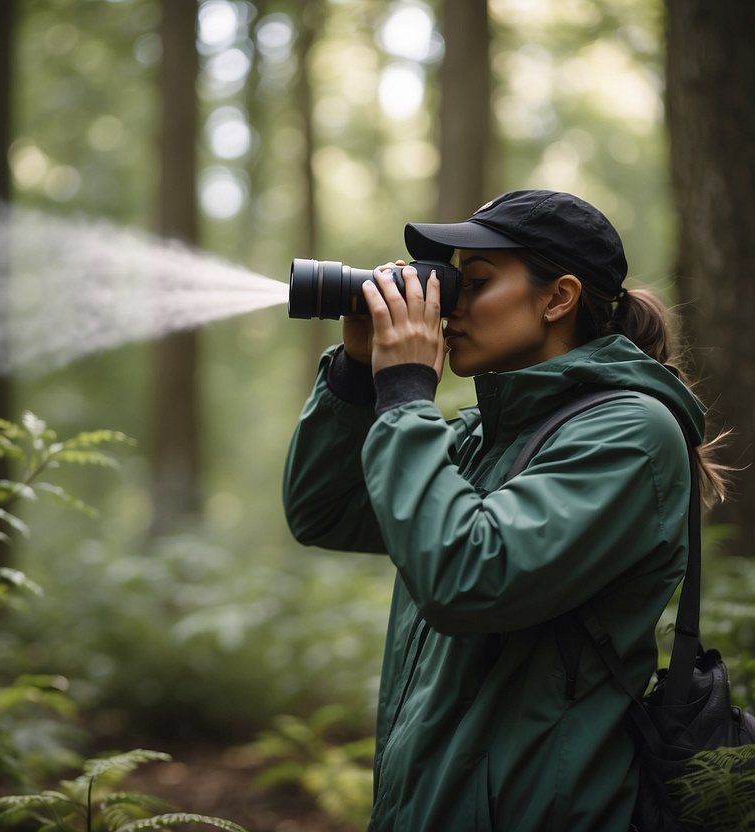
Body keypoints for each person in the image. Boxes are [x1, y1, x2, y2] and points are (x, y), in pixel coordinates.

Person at [281, 189, 728, 831]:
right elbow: (324, 511)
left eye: (476, 282)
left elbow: (467, 579)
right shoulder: (486, 438)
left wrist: (407, 394)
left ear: (558, 298)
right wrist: (357, 377)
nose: (450, 303)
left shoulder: (631, 433)